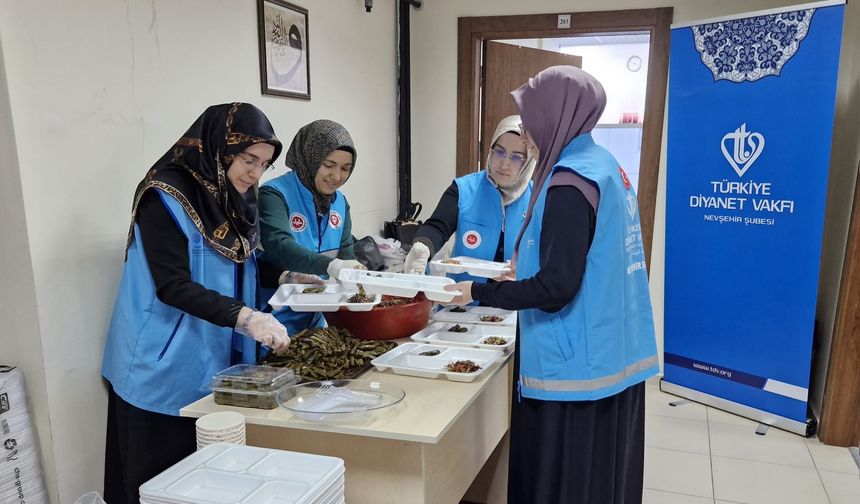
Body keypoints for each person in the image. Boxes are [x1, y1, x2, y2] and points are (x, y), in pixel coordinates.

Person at [445, 67, 659, 503]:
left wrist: (477, 291)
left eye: (532, 117)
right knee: (601, 478)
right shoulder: (605, 166)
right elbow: (593, 258)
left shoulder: (569, 180)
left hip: (573, 367)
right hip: (612, 350)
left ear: (556, 113)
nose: (527, 135)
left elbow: (557, 286)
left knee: (563, 483)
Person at [101, 103, 291, 503]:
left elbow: (242, 265)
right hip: (162, 363)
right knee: (157, 483)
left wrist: (288, 278)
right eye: (247, 159)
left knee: (206, 483)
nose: (254, 174)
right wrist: (245, 317)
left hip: (212, 360)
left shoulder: (234, 198)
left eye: (263, 164)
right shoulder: (165, 197)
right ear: (218, 148)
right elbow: (172, 285)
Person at [258, 119, 364, 333]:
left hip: (315, 321)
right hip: (270, 319)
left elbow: (346, 255)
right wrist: (330, 266)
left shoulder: (340, 203)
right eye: (329, 165)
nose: (337, 176)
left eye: (346, 168)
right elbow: (280, 246)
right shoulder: (274, 194)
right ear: (311, 158)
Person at [403, 115, 535, 282]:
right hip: (462, 303)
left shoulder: (537, 199)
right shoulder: (464, 189)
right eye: (499, 152)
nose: (504, 164)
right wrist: (423, 246)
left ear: (529, 162)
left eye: (516, 157)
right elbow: (438, 226)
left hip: (515, 303)